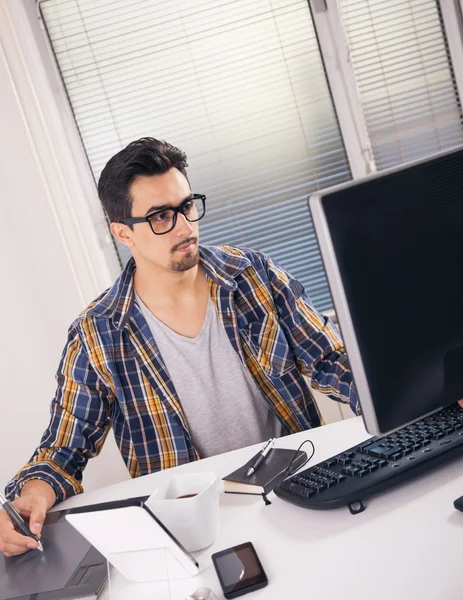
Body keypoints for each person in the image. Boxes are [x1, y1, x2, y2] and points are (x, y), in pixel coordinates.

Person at [0, 137, 360, 557]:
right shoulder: (98, 334)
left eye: (187, 206)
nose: (184, 226)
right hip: (192, 533)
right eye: (160, 217)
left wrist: (415, 389)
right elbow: (63, 449)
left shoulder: (254, 276)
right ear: (122, 233)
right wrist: (30, 498)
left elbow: (332, 362)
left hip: (298, 493)